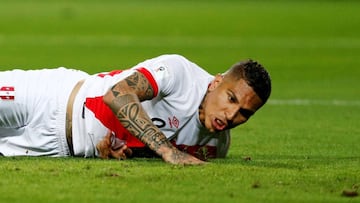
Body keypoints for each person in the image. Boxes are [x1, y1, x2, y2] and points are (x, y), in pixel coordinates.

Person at [0, 54, 271, 165]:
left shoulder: (213, 148)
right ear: (216, 83)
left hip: (55, 149)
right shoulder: (180, 73)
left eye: (245, 113)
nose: (231, 115)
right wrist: (168, 152)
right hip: (50, 98)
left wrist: (118, 151)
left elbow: (136, 148)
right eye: (231, 98)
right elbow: (117, 95)